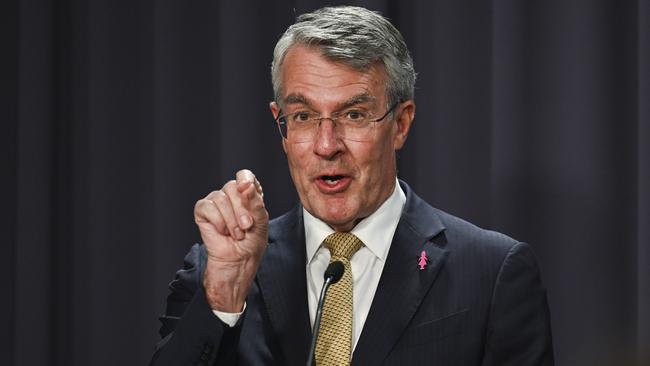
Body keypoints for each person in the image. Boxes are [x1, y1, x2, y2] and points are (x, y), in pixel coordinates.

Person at [149, 6, 553, 366]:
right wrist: (224, 294)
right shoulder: (216, 270)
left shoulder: (491, 273)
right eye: (304, 116)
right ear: (281, 125)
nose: (327, 146)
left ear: (401, 123)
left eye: (355, 115)